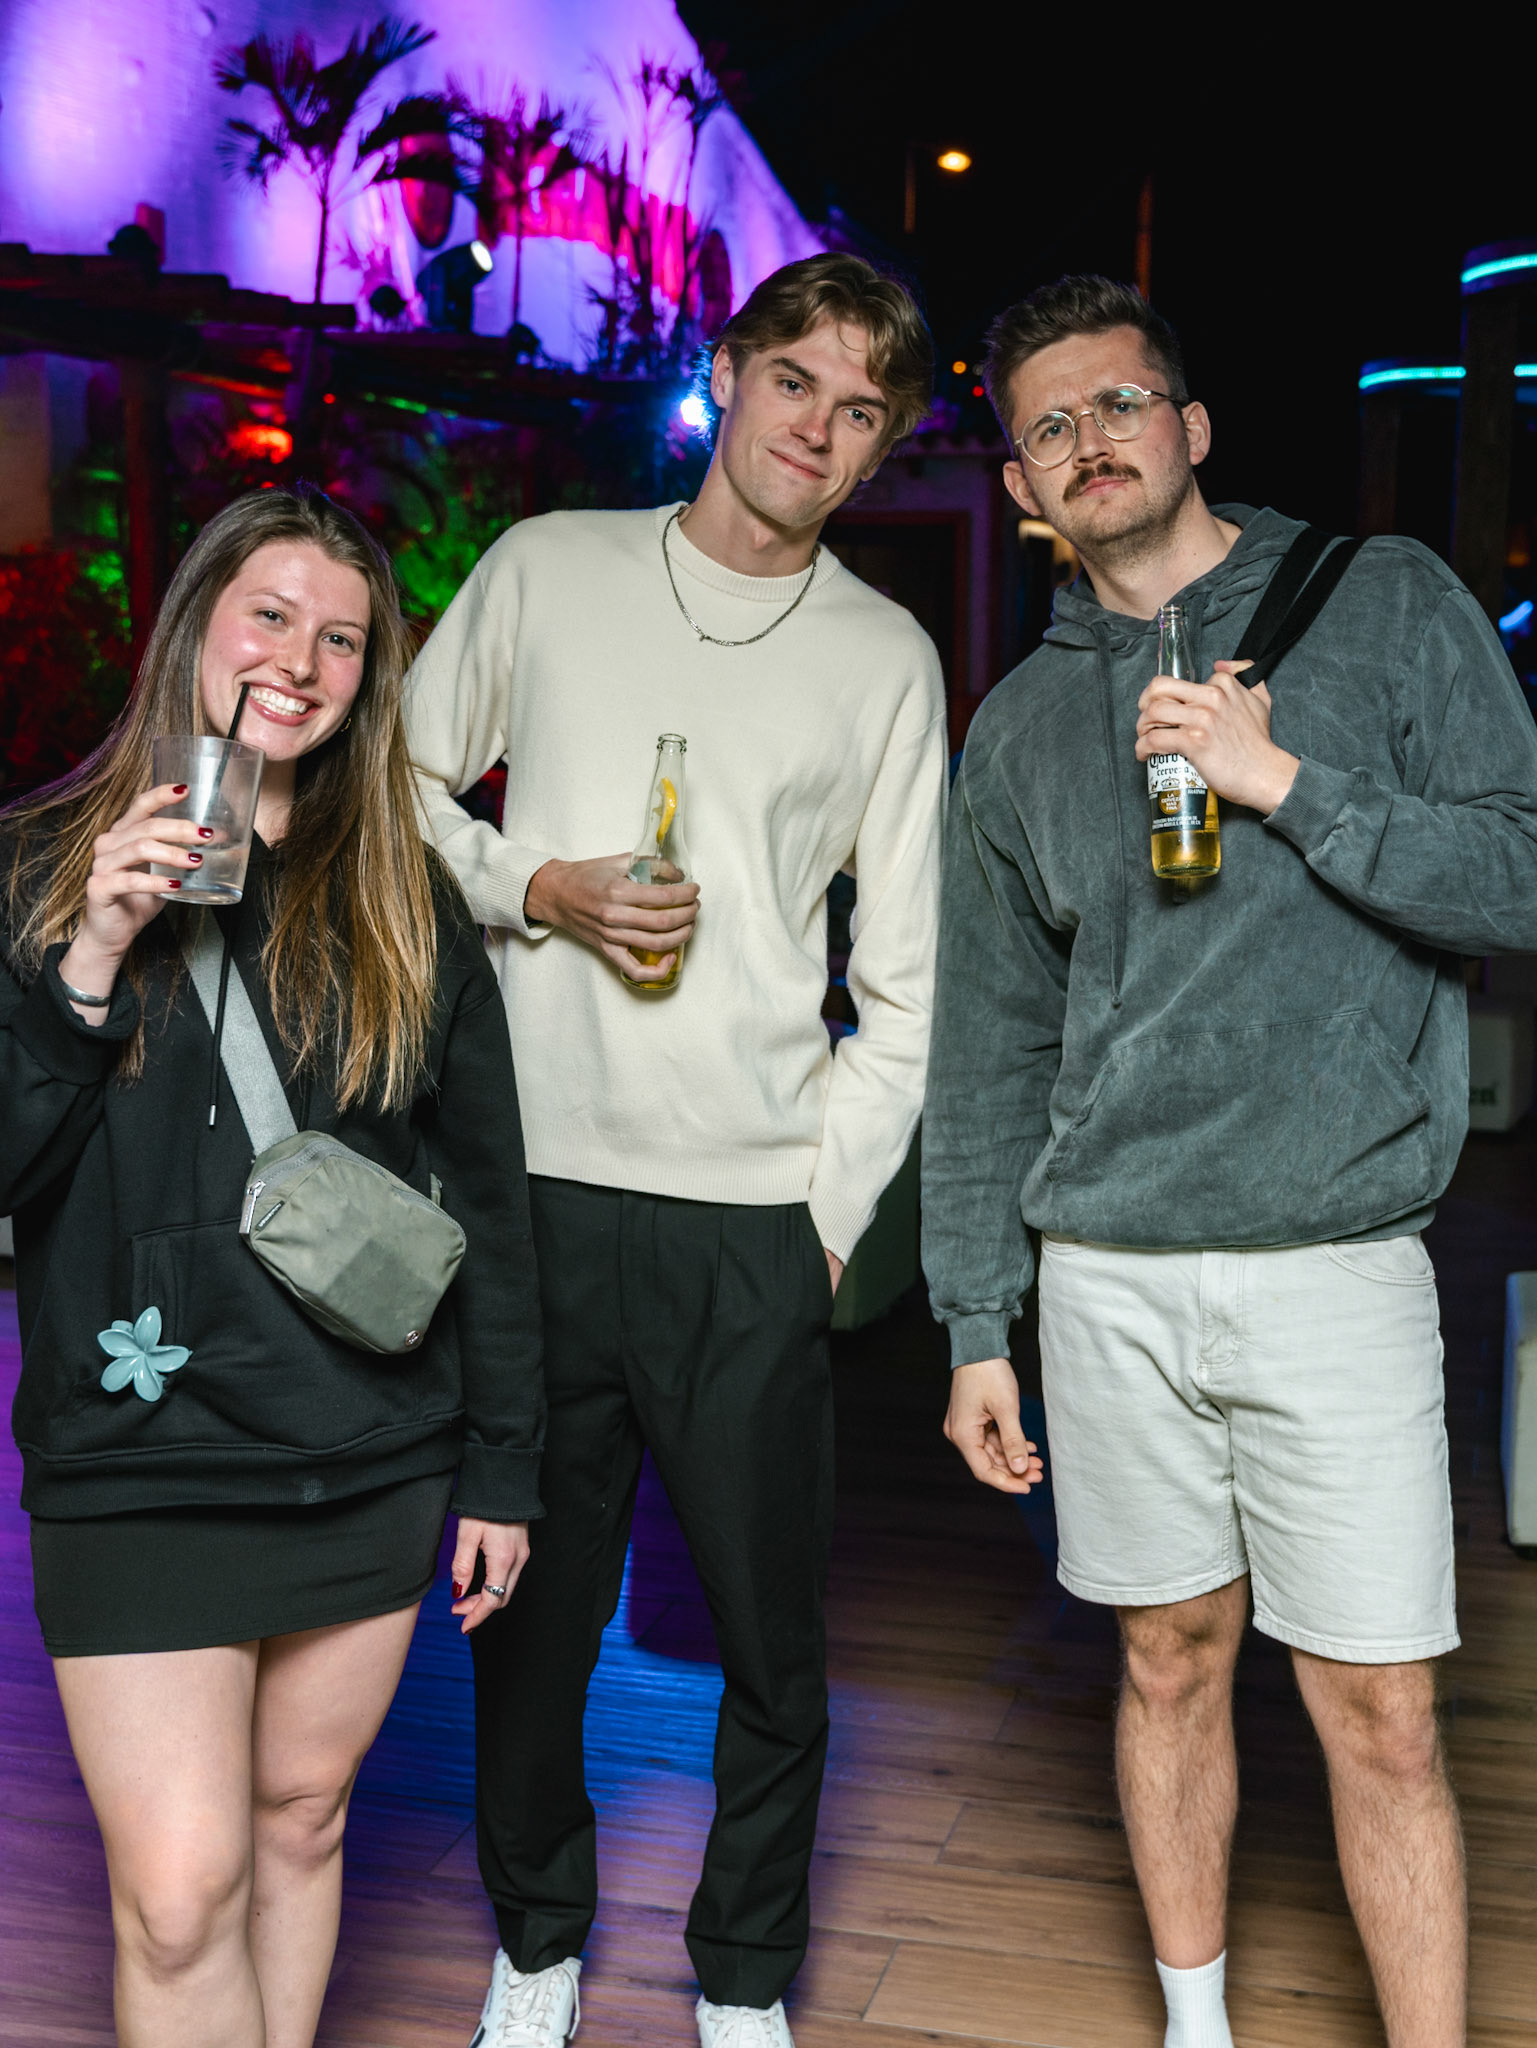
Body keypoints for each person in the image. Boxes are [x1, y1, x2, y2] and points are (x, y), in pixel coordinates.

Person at [922, 274, 1537, 2048]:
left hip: (1332, 1262)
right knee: (1165, 1660)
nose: (1088, 438)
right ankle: (1195, 2034)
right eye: (1048, 424)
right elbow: (989, 1045)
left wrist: (1287, 785)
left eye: (1118, 401)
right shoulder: (1017, 728)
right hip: (1106, 1278)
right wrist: (972, 1319)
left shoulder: (1383, 602)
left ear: (1190, 427)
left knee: (1380, 1714)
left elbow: (1520, 877)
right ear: (1022, 485)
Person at [407, 251, 946, 2048]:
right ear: (729, 372)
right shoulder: (549, 568)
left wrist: (822, 1218)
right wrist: (535, 886)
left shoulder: (883, 657)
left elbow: (907, 983)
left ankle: (743, 1980)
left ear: (879, 447)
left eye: (861, 411)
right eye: (797, 381)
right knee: (529, 1619)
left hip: (746, 1217)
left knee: (772, 1643)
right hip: (534, 1197)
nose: (820, 429)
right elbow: (393, 792)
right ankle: (536, 1944)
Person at [1, 486, 543, 2048]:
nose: (300, 660)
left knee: (303, 1820)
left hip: (362, 1441)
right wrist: (90, 956)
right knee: (181, 1894)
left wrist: (502, 1466)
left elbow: (491, 1206)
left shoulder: (405, 898)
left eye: (343, 639)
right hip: (137, 1453)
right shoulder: (36, 865)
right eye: (270, 615)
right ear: (197, 624)